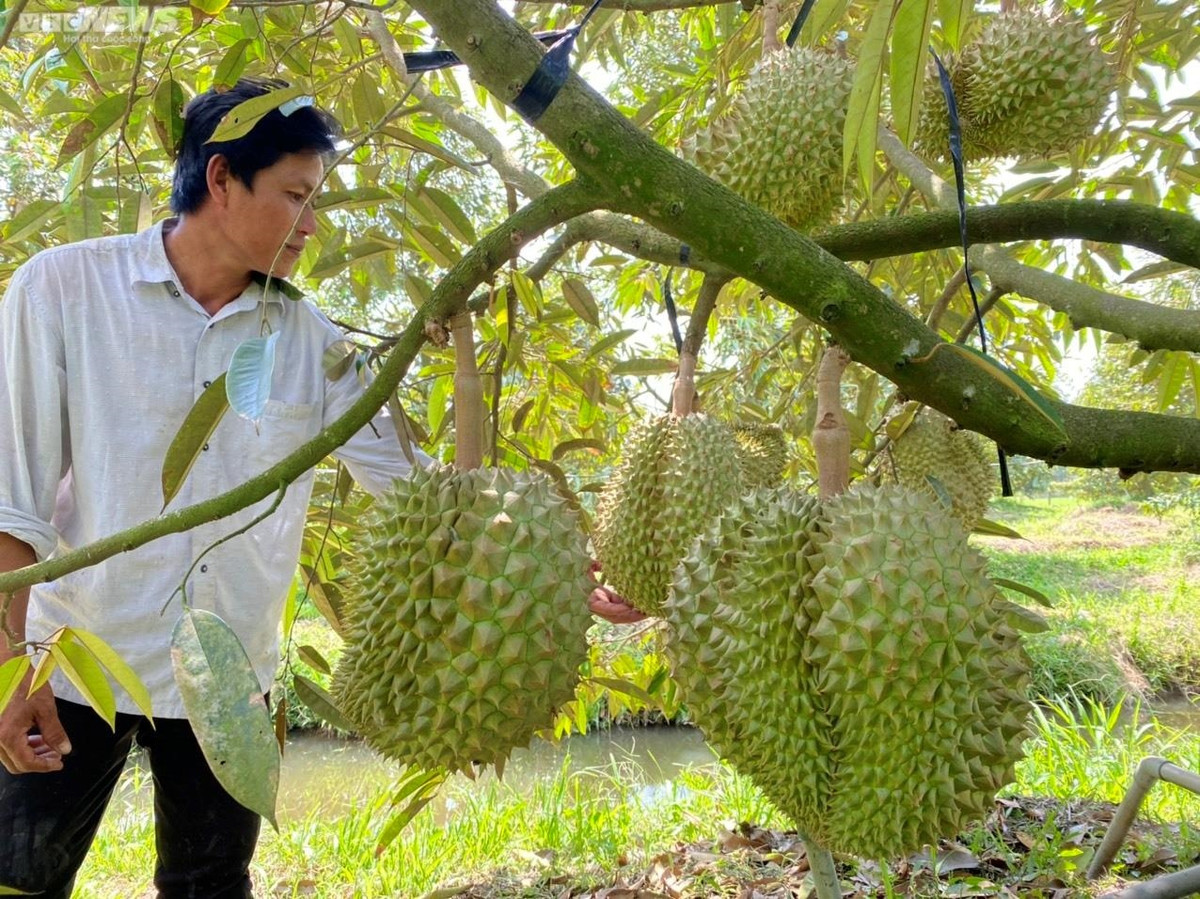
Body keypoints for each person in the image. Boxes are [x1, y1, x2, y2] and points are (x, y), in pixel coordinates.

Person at [0, 77, 640, 898]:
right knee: (19, 874)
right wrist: (9, 666)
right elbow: (11, 497)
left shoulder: (315, 343)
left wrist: (573, 572)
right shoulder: (62, 291)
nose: (310, 226)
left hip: (229, 677)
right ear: (222, 178)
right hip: (75, 655)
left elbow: (424, 495)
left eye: (317, 200)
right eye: (296, 197)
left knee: (210, 883)